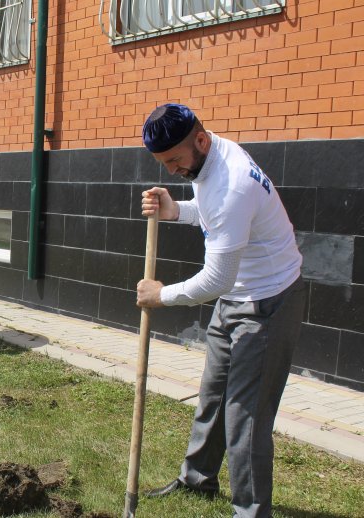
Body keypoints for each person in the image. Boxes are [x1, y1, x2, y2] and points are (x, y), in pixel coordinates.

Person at [136, 104, 305, 518]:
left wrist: (161, 295)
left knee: (245, 417)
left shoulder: (232, 185)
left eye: (174, 161)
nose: (171, 170)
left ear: (201, 140)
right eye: (163, 163)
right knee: (212, 395)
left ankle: (249, 511)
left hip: (267, 304)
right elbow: (212, 218)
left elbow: (216, 281)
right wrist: (178, 209)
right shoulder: (208, 163)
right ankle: (197, 479)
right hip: (237, 296)